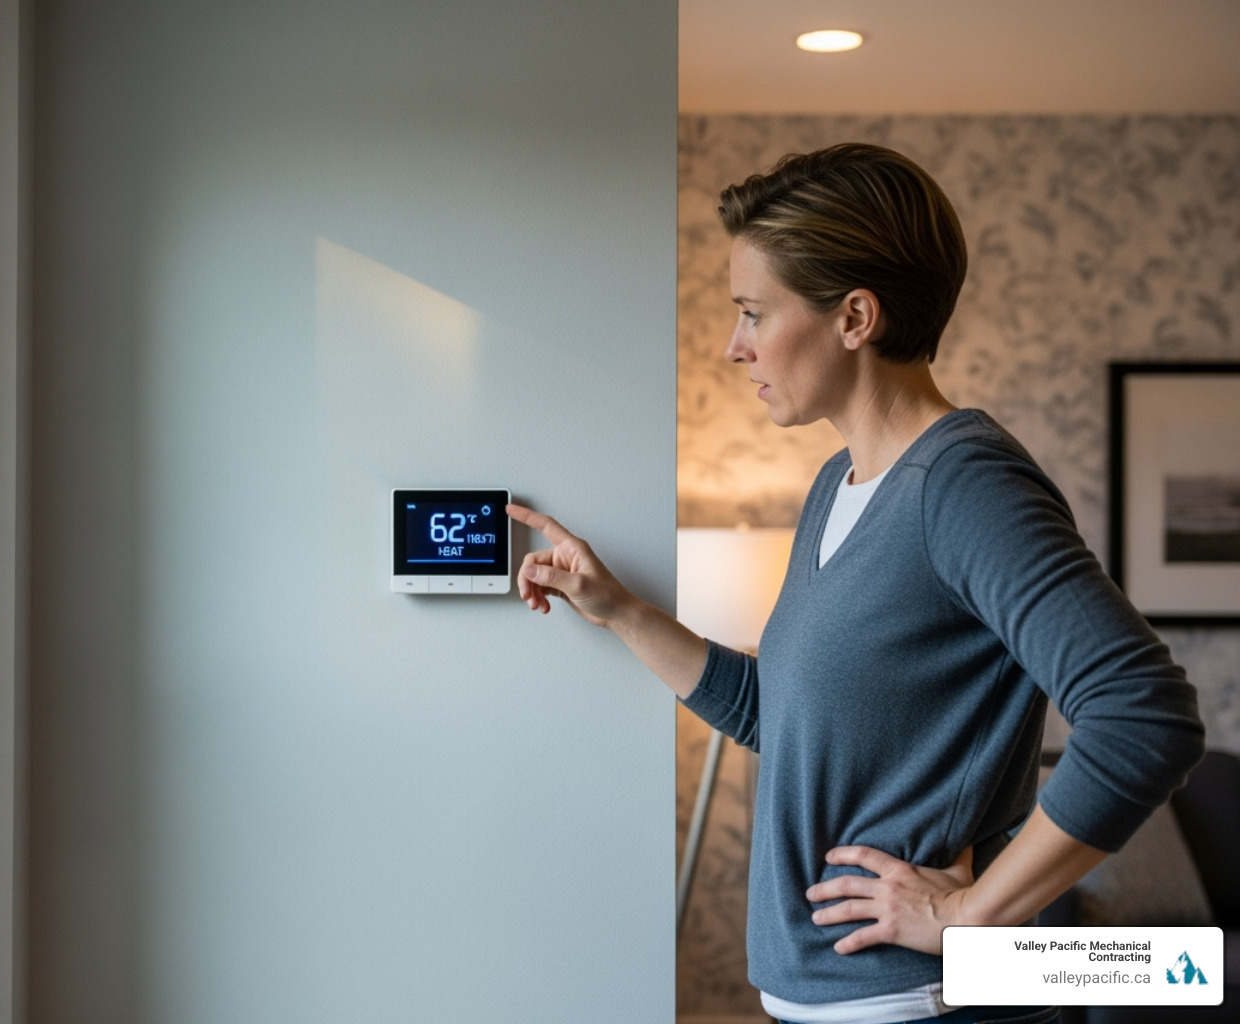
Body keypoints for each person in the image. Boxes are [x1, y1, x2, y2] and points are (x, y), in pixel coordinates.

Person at [506, 143, 1205, 1024]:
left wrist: (969, 916)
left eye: (754, 313)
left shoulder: (963, 485)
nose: (734, 346)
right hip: (825, 1000)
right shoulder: (837, 486)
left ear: (855, 317)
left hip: (919, 1007)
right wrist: (620, 611)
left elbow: (1143, 713)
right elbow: (779, 715)